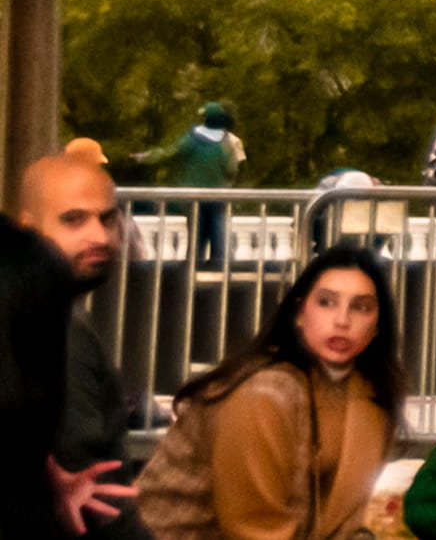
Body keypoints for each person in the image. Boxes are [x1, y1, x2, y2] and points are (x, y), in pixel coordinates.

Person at [134, 244, 394, 540]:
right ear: (299, 313)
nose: (342, 321)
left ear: (377, 327)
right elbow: (255, 529)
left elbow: (343, 521)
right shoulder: (263, 393)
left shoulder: (366, 393)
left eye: (361, 307)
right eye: (326, 302)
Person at [9, 152, 132, 540]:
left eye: (107, 218)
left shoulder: (56, 310)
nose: (99, 236)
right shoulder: (55, 324)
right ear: (27, 231)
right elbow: (88, 480)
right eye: (73, 219)